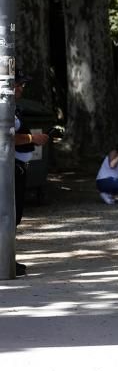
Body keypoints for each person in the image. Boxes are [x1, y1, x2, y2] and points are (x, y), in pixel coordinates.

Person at [13, 70, 50, 277]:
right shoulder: (4, 107)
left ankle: (8, 258)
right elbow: (5, 137)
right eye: (18, 85)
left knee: (13, 216)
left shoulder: (13, 107)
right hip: (10, 168)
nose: (21, 89)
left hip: (17, 168)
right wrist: (32, 139)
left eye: (22, 85)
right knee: (8, 215)